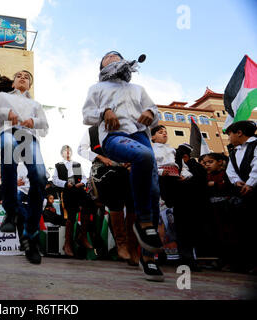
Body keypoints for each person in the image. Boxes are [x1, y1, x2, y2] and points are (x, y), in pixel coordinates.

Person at [82, 51, 163, 281]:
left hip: (141, 135)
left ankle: (149, 259)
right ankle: (144, 223)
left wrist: (149, 113)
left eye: (118, 55)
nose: (114, 57)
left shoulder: (138, 89)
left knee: (154, 192)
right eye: (109, 56)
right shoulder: (96, 89)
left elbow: (154, 112)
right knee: (145, 157)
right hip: (114, 136)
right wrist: (104, 111)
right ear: (102, 65)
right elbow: (87, 114)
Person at [0, 70, 49, 264]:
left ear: (29, 85)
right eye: (19, 75)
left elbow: (45, 127)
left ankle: (30, 234)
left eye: (27, 77)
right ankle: (11, 211)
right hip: (9, 132)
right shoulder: (2, 97)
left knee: (39, 176)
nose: (22, 78)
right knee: (9, 147)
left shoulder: (35, 104)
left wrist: (33, 122)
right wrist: (6, 113)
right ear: (13, 83)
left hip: (29, 136)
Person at [78, 125, 139, 265]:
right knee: (114, 182)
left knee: (134, 194)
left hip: (123, 170)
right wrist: (100, 157)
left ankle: (132, 246)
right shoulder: (92, 131)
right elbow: (81, 149)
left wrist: (129, 161)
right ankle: (121, 243)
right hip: (102, 171)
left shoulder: (124, 129)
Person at [225, 120, 257, 273]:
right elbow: (230, 171)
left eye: (230, 134)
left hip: (254, 190)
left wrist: (250, 183)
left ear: (239, 133)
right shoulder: (234, 152)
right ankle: (244, 262)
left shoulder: (255, 144)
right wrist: (236, 181)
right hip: (243, 194)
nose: (229, 138)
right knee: (244, 229)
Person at [52, 145, 92, 257]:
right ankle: (67, 243)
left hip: (78, 190)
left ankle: (83, 236)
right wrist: (65, 184)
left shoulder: (76, 164)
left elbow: (84, 177)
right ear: (62, 153)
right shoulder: (59, 166)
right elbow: (55, 179)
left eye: (69, 150)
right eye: (65, 150)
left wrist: (82, 183)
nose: (68, 152)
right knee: (71, 216)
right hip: (67, 191)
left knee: (87, 207)